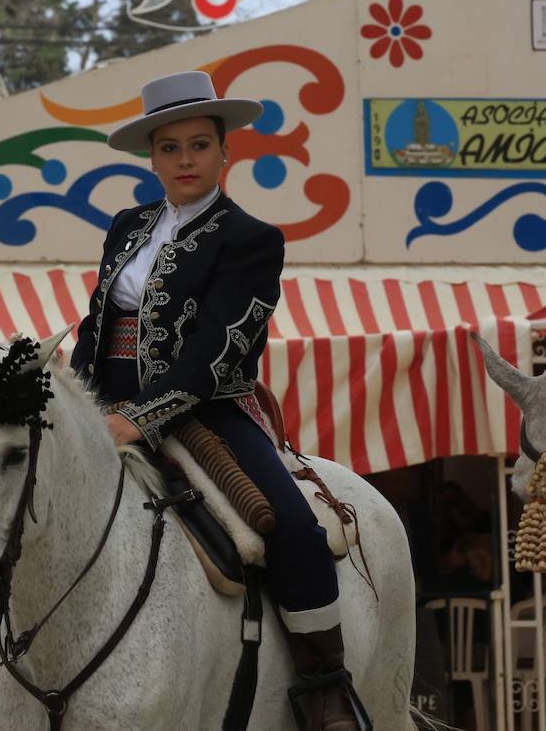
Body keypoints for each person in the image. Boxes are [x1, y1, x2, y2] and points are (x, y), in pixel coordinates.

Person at [70, 70, 366, 730]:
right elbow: (97, 326)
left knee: (293, 528)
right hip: (103, 411)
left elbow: (214, 353)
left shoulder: (251, 238)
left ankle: (325, 685)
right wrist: (76, 408)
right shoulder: (125, 227)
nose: (184, 160)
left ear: (225, 153)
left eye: (198, 145)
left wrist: (137, 419)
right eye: (169, 147)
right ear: (152, 157)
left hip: (204, 408)